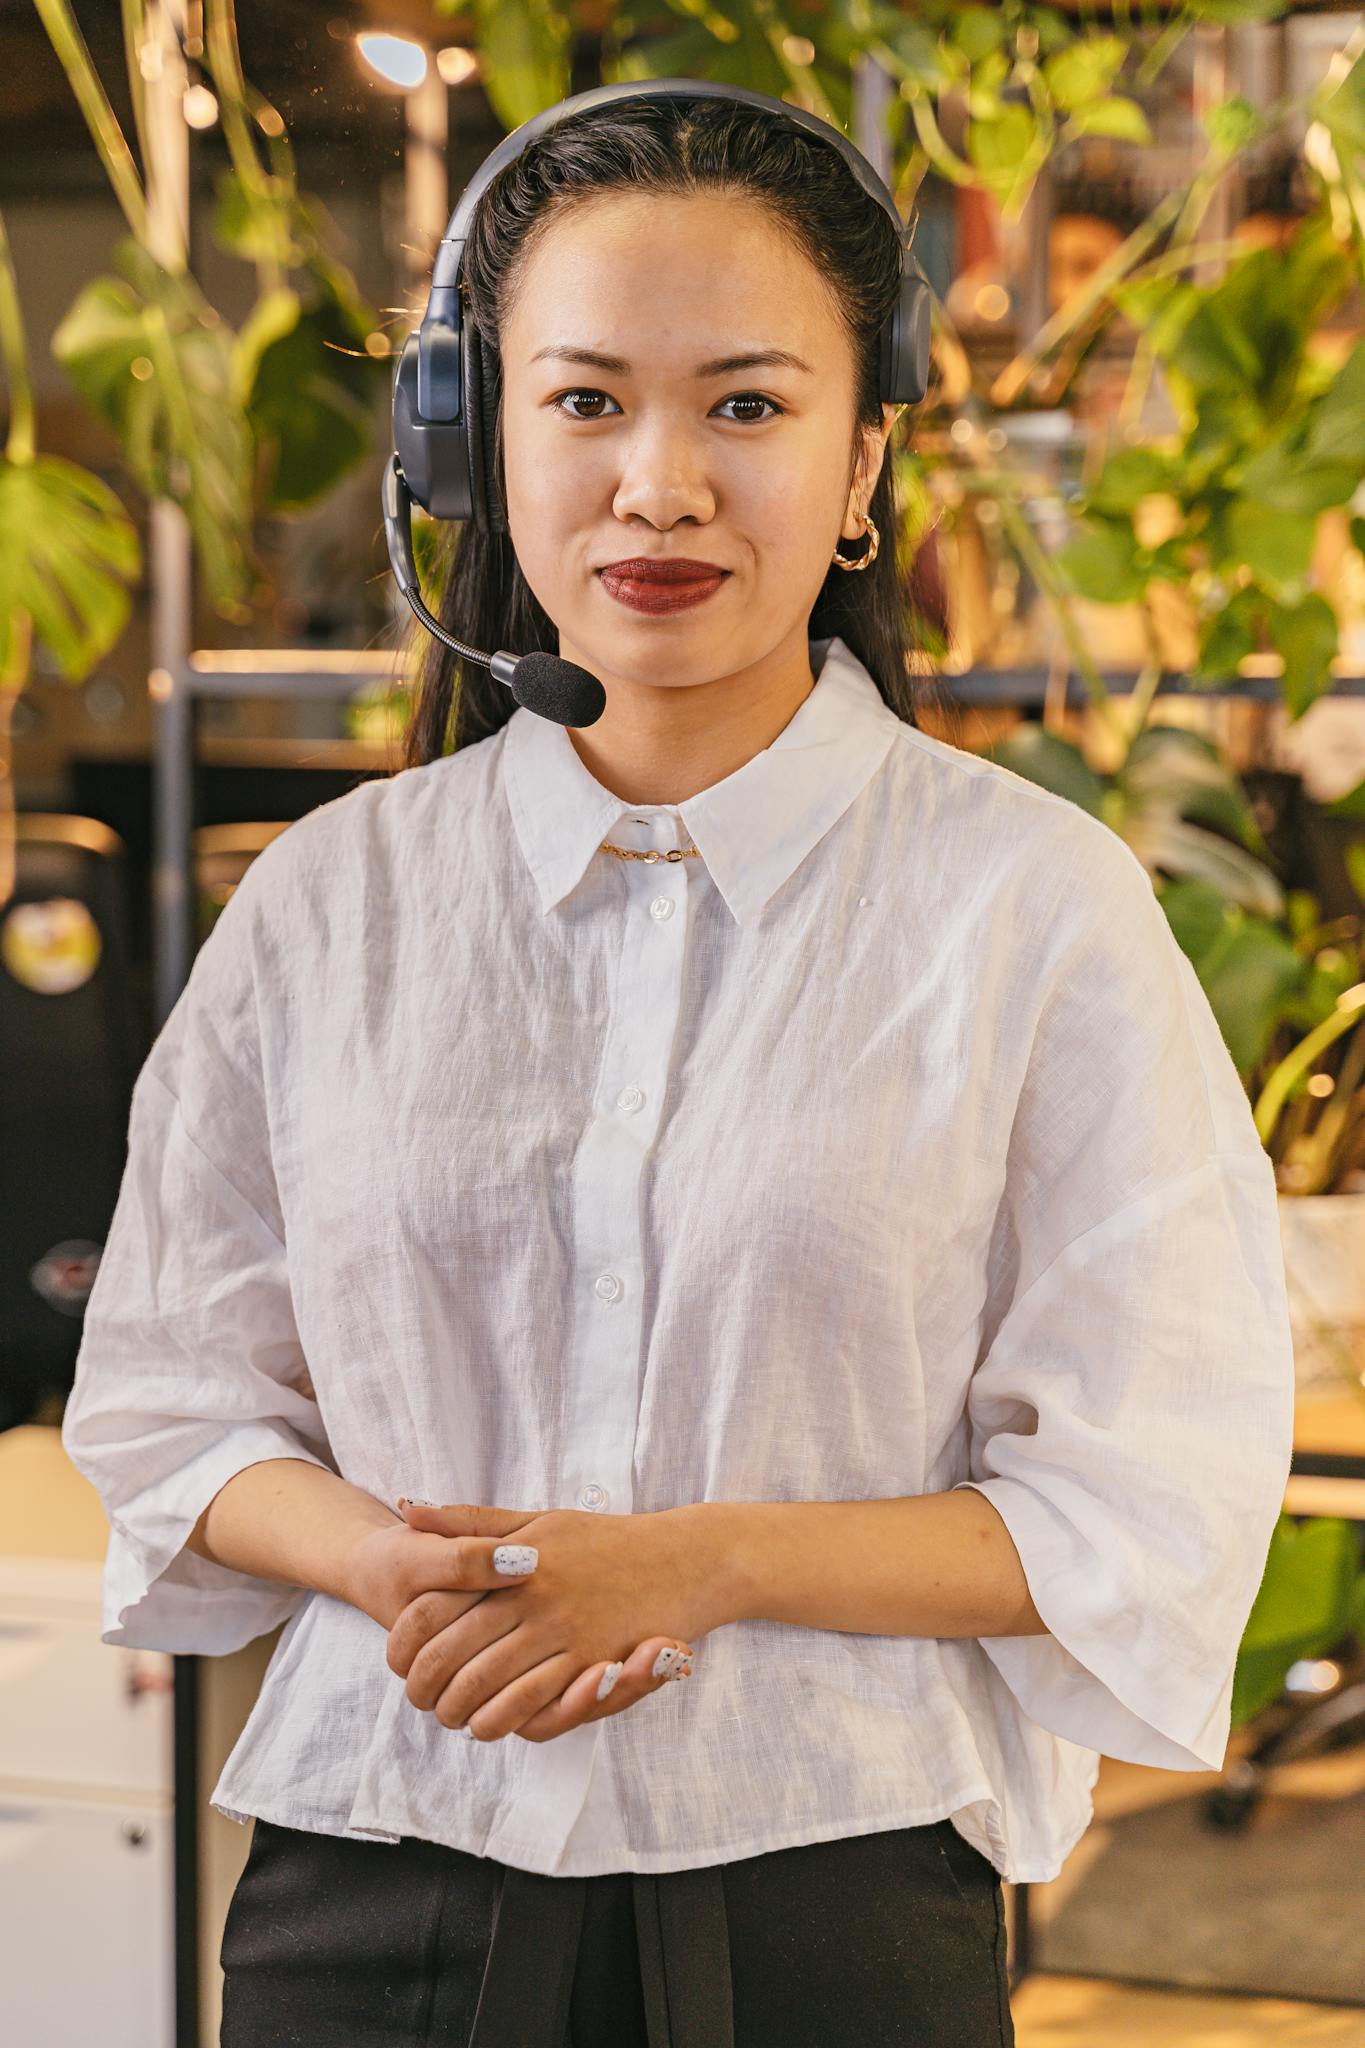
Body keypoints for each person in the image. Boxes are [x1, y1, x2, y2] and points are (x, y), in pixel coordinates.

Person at [60, 88, 1296, 2048]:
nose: (655, 484)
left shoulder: (1034, 909)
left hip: (830, 1895)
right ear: (472, 446)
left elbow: (1143, 1495)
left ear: (863, 452)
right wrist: (378, 1558)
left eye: (741, 404)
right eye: (581, 403)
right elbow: (164, 1410)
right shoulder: (328, 903)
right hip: (371, 1893)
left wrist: (699, 1563)